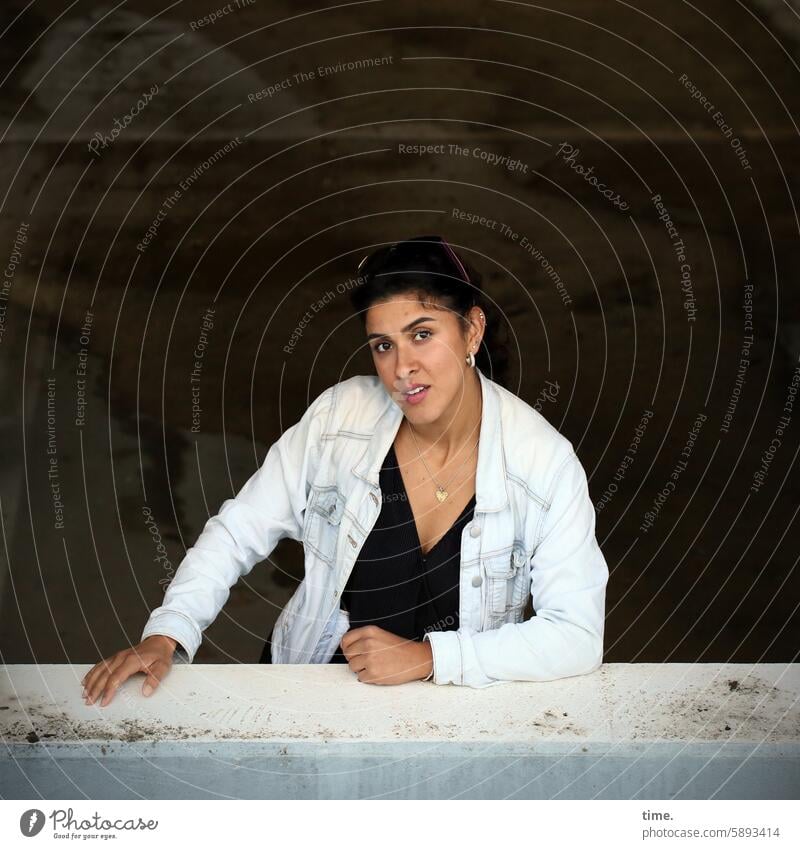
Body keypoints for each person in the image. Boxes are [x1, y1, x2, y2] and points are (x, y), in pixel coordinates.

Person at [81, 235, 609, 706]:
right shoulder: (340, 420)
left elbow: (576, 635)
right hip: (304, 701)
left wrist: (430, 658)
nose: (402, 368)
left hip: (450, 722)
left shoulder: (543, 464)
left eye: (422, 334)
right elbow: (238, 531)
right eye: (384, 345)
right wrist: (167, 635)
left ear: (472, 330)